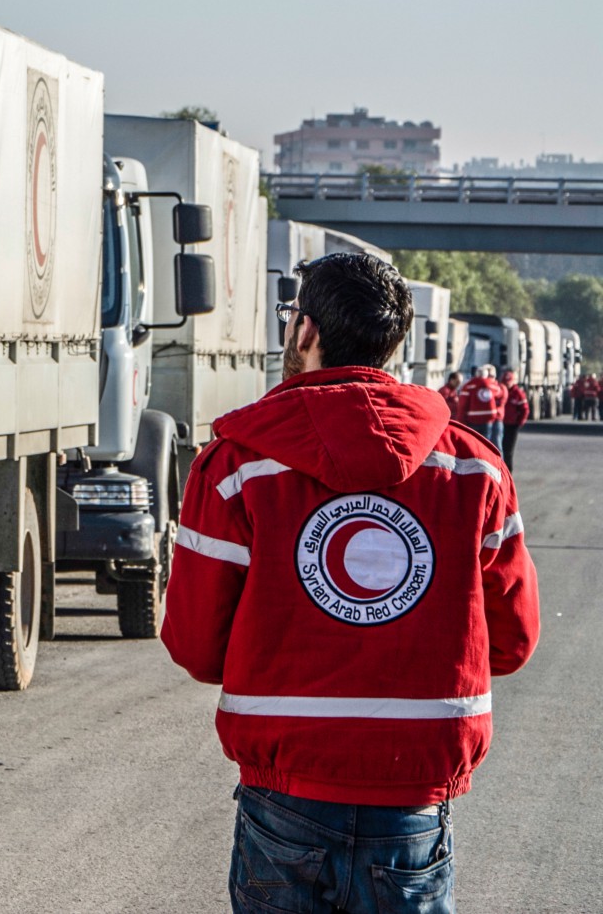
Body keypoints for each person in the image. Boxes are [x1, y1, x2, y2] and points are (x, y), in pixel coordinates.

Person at [163, 253, 538, 914]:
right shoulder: (477, 471)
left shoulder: (234, 467)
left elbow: (197, 646)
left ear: (305, 331)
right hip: (415, 800)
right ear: (392, 342)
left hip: (285, 794)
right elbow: (512, 642)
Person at [457, 364, 507, 457]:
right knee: (489, 446)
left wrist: (461, 422)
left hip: (472, 420)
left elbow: (462, 405)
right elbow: (501, 394)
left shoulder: (469, 386)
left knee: (473, 446)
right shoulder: (491, 385)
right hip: (488, 420)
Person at [499, 369, 531, 468]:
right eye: (505, 382)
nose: (507, 385)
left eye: (508, 382)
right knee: (498, 449)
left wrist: (519, 423)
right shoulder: (499, 391)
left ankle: (508, 473)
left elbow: (525, 410)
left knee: (508, 451)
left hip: (512, 426)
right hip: (500, 424)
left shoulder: (518, 394)